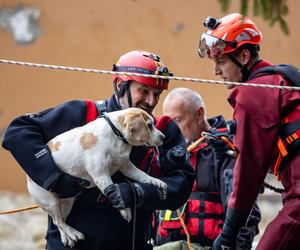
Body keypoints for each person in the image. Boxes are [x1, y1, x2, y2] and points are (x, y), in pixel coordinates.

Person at [2, 50, 195, 250]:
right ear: (120, 86)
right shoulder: (83, 113)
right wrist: (53, 177)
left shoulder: (163, 130)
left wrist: (136, 192)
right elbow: (18, 132)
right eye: (144, 91)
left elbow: (180, 187)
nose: (151, 102)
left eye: (157, 94)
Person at [198, 13, 300, 250]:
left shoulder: (252, 93)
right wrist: (233, 145)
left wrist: (228, 233)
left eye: (221, 62)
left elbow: (248, 173)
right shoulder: (283, 78)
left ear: (244, 56)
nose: (215, 71)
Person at [154, 87, 261, 250]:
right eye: (169, 123)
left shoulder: (224, 151)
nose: (173, 130)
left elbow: (245, 213)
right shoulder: (168, 154)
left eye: (177, 120)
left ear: (199, 114)